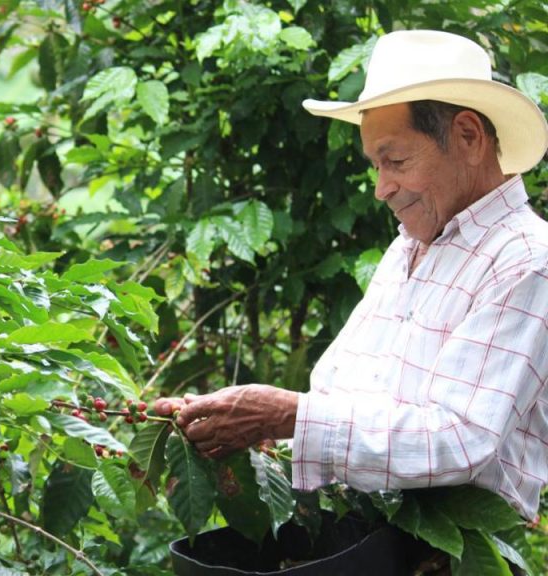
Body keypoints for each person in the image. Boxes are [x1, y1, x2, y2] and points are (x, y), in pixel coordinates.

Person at [155, 29, 548, 523]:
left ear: (468, 137)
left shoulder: (528, 260)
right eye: (376, 166)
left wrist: (285, 414)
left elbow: (459, 439)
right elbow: (339, 394)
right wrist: (233, 422)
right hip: (363, 542)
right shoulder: (408, 248)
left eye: (397, 161)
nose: (383, 188)